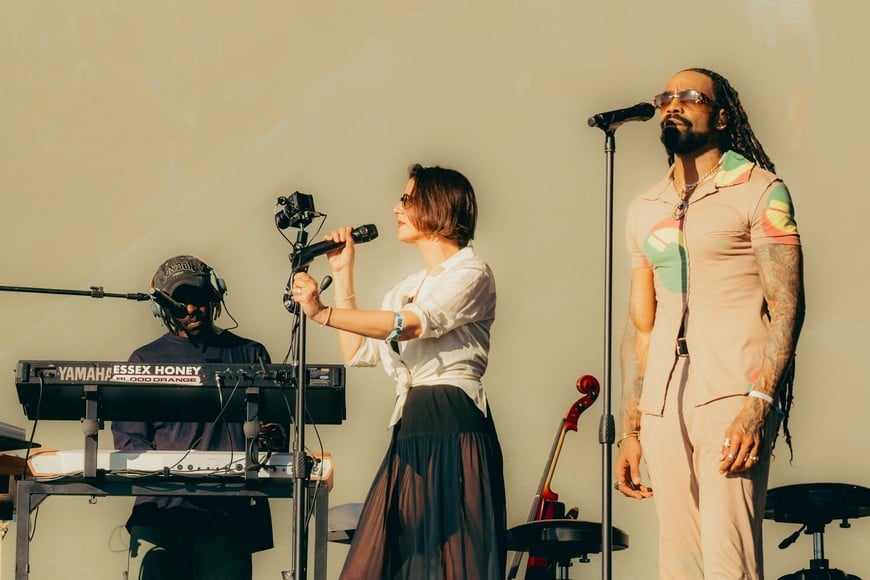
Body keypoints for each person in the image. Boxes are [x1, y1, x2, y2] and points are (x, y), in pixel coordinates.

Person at [613, 67, 805, 579]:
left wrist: (759, 403)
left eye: (690, 96)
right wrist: (631, 428)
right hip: (661, 402)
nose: (673, 104)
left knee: (729, 559)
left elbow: (786, 307)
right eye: (666, 96)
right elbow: (641, 326)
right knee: (679, 561)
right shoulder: (643, 207)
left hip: (731, 393)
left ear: (721, 117)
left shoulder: (760, 190)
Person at [291, 164, 507, 579]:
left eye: (406, 199)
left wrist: (322, 312)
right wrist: (342, 273)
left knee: (453, 560)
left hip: (452, 420)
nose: (396, 208)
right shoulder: (406, 284)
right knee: (393, 561)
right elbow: (358, 351)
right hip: (410, 424)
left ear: (438, 204)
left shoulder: (471, 272)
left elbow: (412, 322)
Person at [111, 255, 274, 580]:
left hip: (228, 514)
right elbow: (130, 443)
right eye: (179, 301)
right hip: (162, 516)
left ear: (214, 296)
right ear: (161, 306)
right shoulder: (144, 360)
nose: (190, 309)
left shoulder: (250, 354)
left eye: (197, 298)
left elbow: (272, 426)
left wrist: (271, 436)